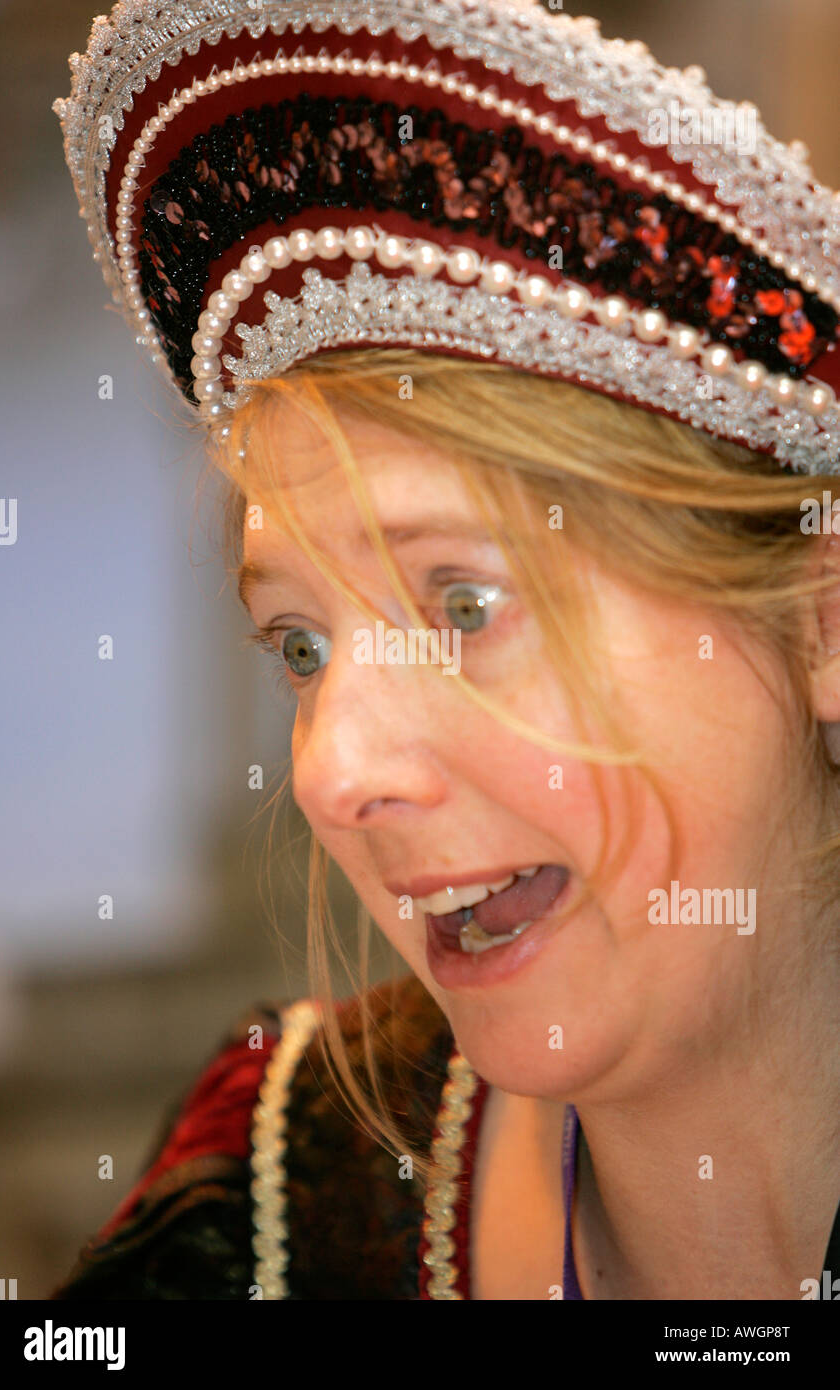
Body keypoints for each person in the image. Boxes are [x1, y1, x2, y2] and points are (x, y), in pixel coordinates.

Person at [51, 0, 840, 1299]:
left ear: (816, 620)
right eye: (299, 646)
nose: (330, 771)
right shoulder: (264, 1211)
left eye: (463, 606)